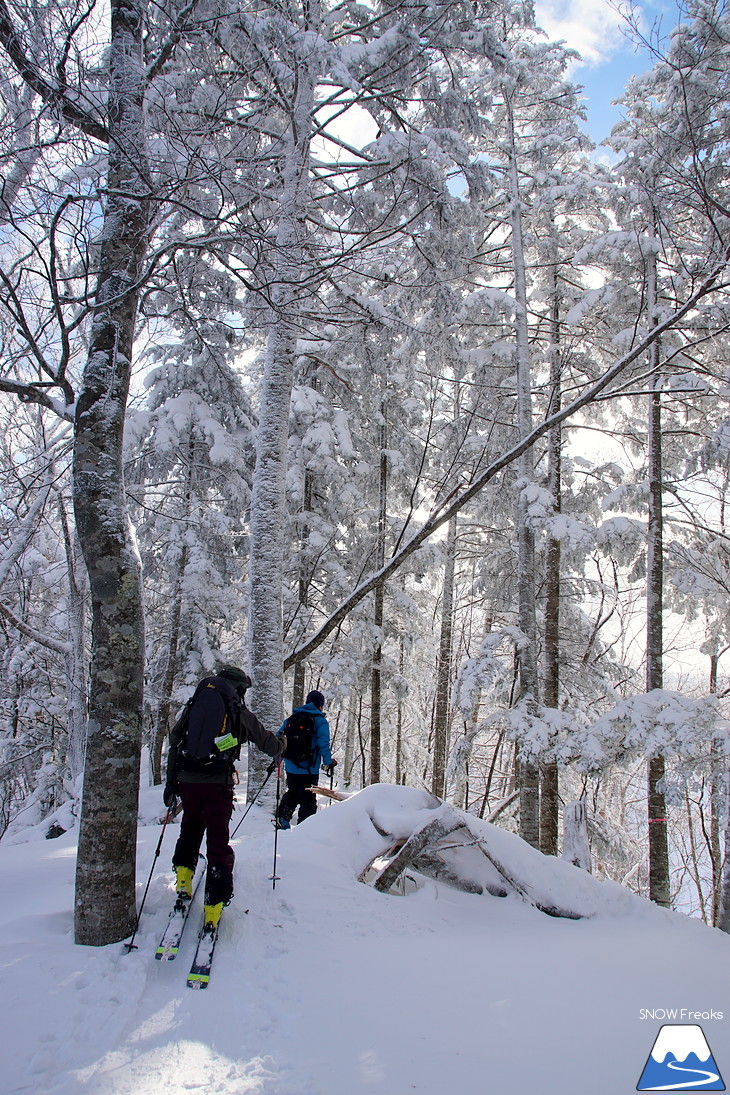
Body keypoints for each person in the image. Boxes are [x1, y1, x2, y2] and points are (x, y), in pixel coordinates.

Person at [164, 665, 284, 929]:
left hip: (187, 780)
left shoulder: (195, 705)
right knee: (218, 841)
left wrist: (171, 781)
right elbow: (269, 744)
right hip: (218, 785)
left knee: (190, 829)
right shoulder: (238, 712)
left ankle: (183, 881)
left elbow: (175, 739)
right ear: (238, 688)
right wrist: (282, 743)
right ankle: (214, 906)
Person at [276, 689, 336, 829]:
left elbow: (279, 738)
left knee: (292, 792)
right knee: (308, 797)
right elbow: (323, 744)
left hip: (291, 765)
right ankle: (305, 828)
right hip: (309, 768)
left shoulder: (292, 718)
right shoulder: (320, 721)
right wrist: (328, 762)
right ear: (320, 705)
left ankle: (283, 818)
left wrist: (278, 759)